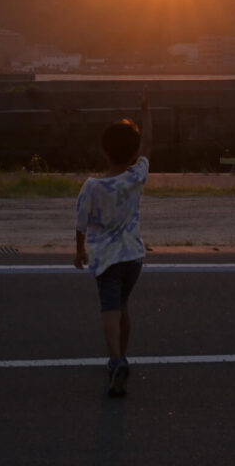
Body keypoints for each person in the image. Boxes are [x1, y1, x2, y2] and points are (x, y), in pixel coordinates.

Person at [74, 92, 152, 397]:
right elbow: (148, 145)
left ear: (104, 151)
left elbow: (81, 222)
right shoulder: (136, 177)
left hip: (106, 259)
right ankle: (120, 356)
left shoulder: (93, 187)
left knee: (109, 307)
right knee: (123, 305)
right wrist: (147, 112)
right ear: (133, 155)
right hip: (133, 257)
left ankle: (116, 359)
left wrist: (79, 249)